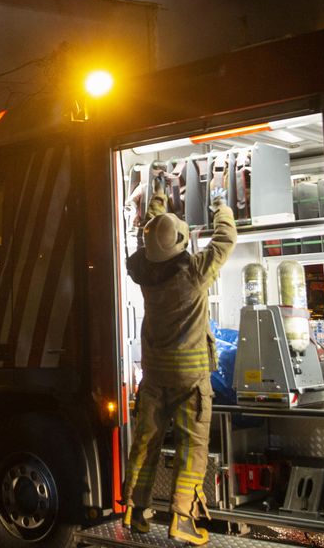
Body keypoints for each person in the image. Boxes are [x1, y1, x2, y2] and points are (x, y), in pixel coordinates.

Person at [122, 177, 237, 545]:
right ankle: (182, 519)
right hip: (191, 379)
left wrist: (158, 193)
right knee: (192, 447)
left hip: (155, 376)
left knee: (146, 443)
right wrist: (220, 206)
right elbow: (225, 239)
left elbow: (150, 232)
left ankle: (135, 511)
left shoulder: (145, 273)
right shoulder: (195, 272)